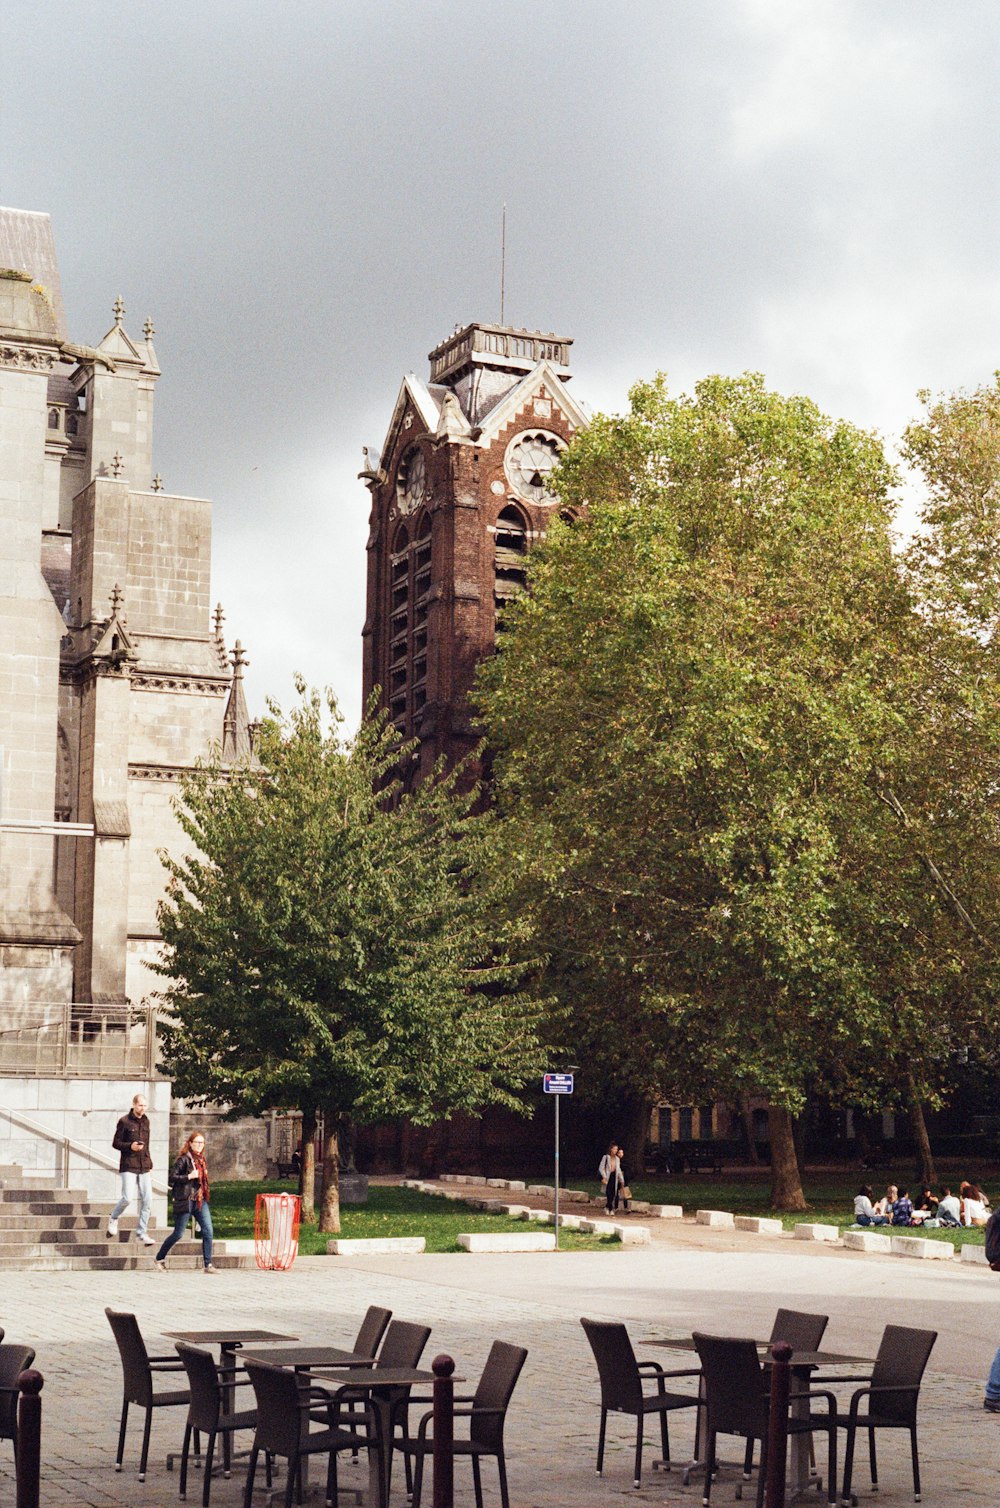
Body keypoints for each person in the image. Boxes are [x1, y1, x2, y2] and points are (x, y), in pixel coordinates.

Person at [154, 1130, 216, 1273]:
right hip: (186, 1200)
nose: (200, 1145)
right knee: (178, 1233)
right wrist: (189, 1176)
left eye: (202, 1142)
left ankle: (208, 1264)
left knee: (208, 1231)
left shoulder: (201, 1160)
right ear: (190, 1144)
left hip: (200, 1200)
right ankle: (159, 1258)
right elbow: (172, 1177)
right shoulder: (184, 1159)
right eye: (197, 1142)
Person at [107, 1093, 154, 1245]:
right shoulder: (124, 1121)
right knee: (127, 1197)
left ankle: (141, 1232)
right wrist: (130, 1146)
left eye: (145, 1105)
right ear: (134, 1104)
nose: (143, 1108)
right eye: (140, 1105)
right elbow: (116, 1143)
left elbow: (147, 1144)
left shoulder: (146, 1121)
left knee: (147, 1200)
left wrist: (149, 1162)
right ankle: (113, 1217)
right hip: (129, 1164)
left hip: (144, 1165)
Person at [598, 1143, 624, 1214]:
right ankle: (611, 1208)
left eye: (616, 1149)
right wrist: (604, 1176)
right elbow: (601, 1168)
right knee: (608, 1193)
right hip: (607, 1177)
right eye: (614, 1149)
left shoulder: (617, 1159)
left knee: (613, 1193)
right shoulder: (606, 1157)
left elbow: (618, 1170)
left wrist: (621, 1179)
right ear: (611, 1149)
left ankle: (608, 1207)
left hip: (614, 1177)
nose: (615, 1150)